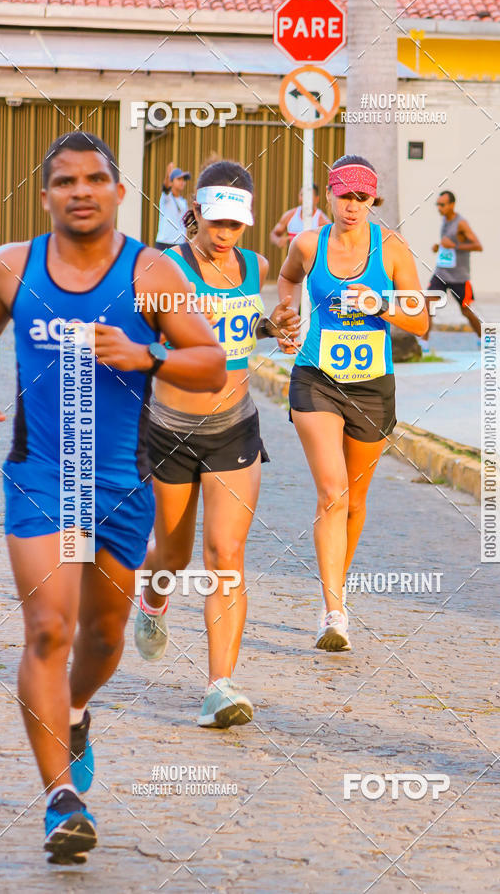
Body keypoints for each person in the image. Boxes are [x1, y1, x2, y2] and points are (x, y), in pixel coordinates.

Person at [0, 132, 226, 865]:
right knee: (48, 631)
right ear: (46, 196)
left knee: (102, 636)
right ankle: (63, 801)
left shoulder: (150, 272)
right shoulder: (9, 267)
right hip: (42, 475)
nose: (81, 191)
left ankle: (76, 710)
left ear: (119, 192)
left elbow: (211, 363)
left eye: (95, 179)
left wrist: (148, 354)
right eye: (65, 181)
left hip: (122, 480)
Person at [134, 160, 300, 728]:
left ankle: (219, 688)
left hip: (234, 427)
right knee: (173, 556)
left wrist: (273, 327)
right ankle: (153, 598)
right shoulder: (163, 268)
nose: (225, 233)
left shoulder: (255, 266)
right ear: (197, 212)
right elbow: (135, 343)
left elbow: (244, 325)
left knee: (225, 555)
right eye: (216, 221)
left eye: (235, 223)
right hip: (170, 430)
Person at [278, 155, 428, 652]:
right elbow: (288, 279)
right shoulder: (308, 244)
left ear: (373, 200)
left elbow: (421, 321)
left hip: (371, 387)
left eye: (362, 198)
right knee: (332, 493)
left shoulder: (392, 249)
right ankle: (334, 612)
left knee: (355, 501)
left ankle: (335, 591)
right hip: (316, 377)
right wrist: (287, 316)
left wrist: (378, 303)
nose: (353, 205)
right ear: (329, 194)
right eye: (345, 195)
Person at [424, 190, 483, 342]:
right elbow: (448, 244)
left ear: (452, 205)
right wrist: (439, 247)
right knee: (427, 305)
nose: (439, 208)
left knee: (466, 311)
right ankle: (424, 344)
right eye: (437, 205)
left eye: (442, 205)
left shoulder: (461, 223)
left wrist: (454, 246)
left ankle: (483, 338)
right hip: (441, 273)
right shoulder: (445, 220)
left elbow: (478, 246)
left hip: (459, 278)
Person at [270, 185, 330, 250]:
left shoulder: (323, 221)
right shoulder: (290, 215)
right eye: (302, 195)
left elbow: (333, 243)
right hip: (293, 256)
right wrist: (278, 241)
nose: (305, 198)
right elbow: (273, 234)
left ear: (317, 199)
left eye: (308, 196)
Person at [155, 162, 191, 250]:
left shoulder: (183, 202)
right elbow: (166, 188)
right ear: (171, 182)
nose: (182, 182)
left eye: (183, 180)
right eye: (179, 179)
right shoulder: (166, 197)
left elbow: (184, 225)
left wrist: (185, 241)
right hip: (164, 243)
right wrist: (167, 175)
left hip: (179, 244)